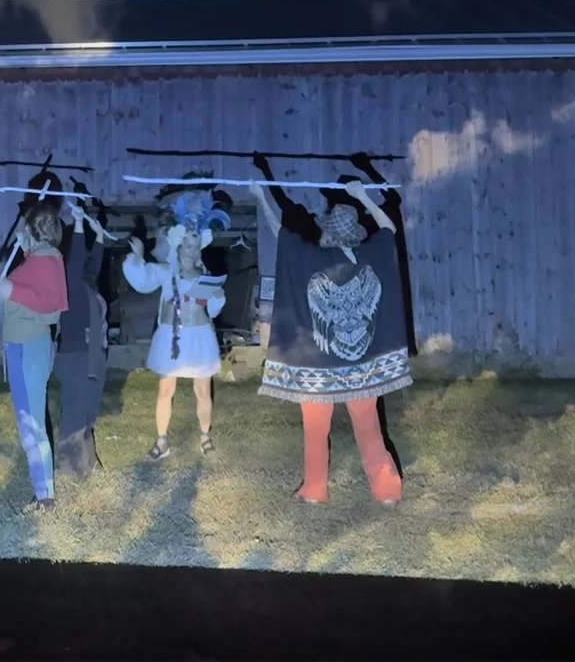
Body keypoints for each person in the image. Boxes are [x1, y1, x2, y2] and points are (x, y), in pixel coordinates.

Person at [249, 153, 410, 504]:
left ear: (327, 231)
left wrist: (261, 197)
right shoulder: (370, 256)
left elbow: (281, 234)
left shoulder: (312, 259)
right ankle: (386, 491)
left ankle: (315, 489)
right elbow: (389, 230)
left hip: (318, 367)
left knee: (316, 429)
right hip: (359, 367)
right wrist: (363, 196)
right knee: (368, 428)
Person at [121, 190, 230, 462]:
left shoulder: (206, 276)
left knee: (202, 390)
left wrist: (217, 296)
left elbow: (213, 309)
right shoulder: (165, 270)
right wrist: (137, 256)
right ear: (179, 244)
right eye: (187, 244)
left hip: (200, 338)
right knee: (165, 390)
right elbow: (142, 280)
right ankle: (162, 441)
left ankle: (205, 437)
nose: (191, 249)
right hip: (172, 339)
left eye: (196, 245)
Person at [0, 201, 68, 513]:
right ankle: (43, 491)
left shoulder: (46, 258)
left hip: (28, 347)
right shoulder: (39, 258)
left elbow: (51, 307)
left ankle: (45, 497)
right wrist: (24, 254)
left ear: (33, 229)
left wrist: (11, 290)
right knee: (30, 420)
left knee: (31, 423)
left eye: (26, 226)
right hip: (24, 346)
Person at [54, 183, 111, 478]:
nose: (87, 265)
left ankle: (89, 461)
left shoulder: (90, 290)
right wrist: (77, 224)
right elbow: (77, 260)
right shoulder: (71, 287)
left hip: (93, 357)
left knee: (87, 412)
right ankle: (67, 467)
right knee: (75, 412)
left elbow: (93, 262)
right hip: (75, 357)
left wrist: (98, 234)